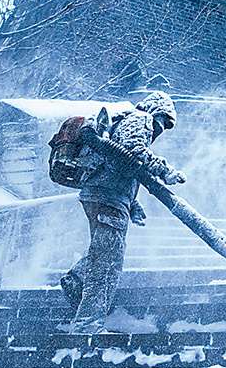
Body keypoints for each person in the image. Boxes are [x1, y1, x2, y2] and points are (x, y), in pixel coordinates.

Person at [58, 91, 187, 334]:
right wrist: (165, 170)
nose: (160, 130)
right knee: (107, 263)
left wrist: (132, 204)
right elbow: (133, 150)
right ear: (155, 111)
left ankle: (76, 279)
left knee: (105, 252)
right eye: (162, 122)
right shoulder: (141, 119)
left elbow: (120, 163)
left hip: (103, 194)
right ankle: (88, 325)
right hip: (107, 197)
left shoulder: (123, 122)